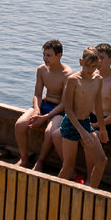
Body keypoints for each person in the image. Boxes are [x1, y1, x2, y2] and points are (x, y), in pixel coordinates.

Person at [57, 47, 108, 188]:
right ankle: (53, 194)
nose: (90, 70)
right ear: (81, 62)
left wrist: (102, 129)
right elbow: (68, 108)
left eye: (93, 66)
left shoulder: (98, 79)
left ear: (98, 63)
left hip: (85, 122)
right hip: (71, 124)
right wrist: (82, 132)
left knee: (101, 161)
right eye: (87, 66)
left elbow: (98, 107)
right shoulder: (73, 80)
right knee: (68, 167)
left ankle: (91, 193)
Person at [16, 40, 72, 169]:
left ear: (59, 56)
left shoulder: (68, 74)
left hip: (59, 110)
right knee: (20, 125)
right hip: (44, 104)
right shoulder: (41, 70)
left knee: (49, 133)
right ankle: (24, 159)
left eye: (49, 55)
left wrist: (45, 117)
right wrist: (36, 110)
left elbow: (64, 103)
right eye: (44, 55)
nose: (45, 58)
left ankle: (40, 161)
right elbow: (37, 94)